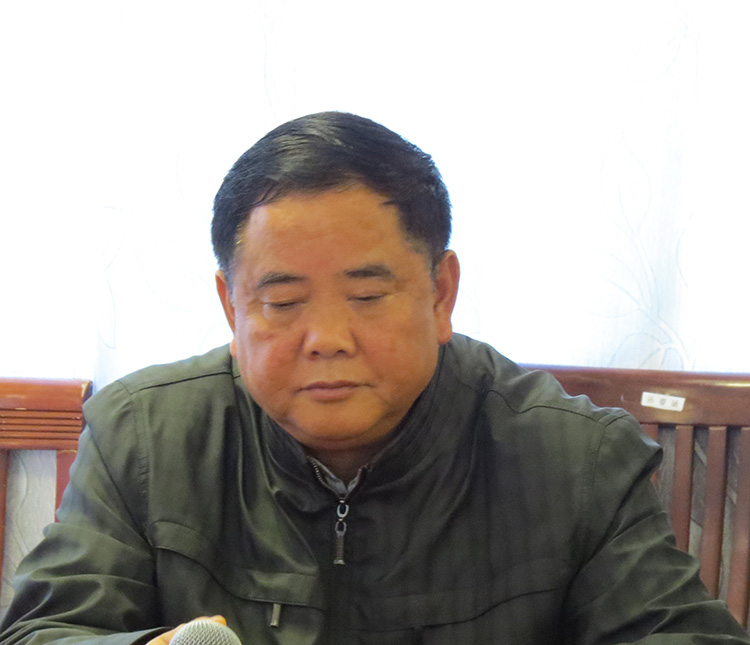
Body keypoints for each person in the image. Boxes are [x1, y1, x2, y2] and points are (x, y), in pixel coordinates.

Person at [1, 112, 748, 645]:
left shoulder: (576, 460)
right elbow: (45, 630)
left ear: (440, 294)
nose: (327, 338)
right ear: (231, 306)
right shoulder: (144, 437)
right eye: (283, 301)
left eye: (366, 295)